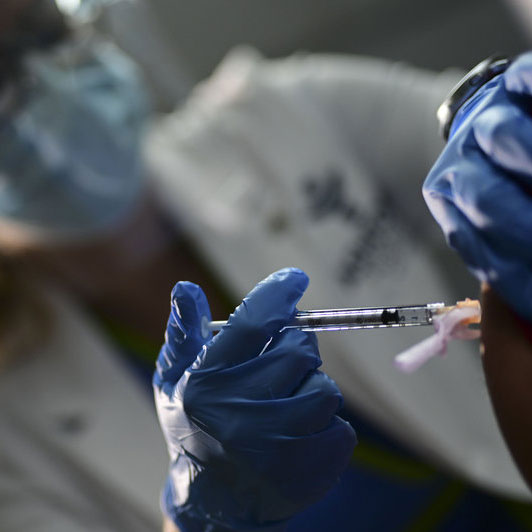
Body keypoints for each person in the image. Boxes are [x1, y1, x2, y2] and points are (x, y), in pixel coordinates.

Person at [147, 49, 532, 531]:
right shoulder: (22, 424)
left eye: (48, 32)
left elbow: (472, 127)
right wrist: (197, 518)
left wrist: (494, 117)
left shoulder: (271, 114)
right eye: (16, 79)